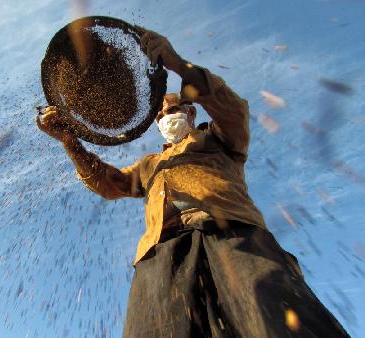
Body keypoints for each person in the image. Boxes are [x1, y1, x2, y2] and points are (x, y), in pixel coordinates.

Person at [36, 29, 350, 338]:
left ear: (190, 111)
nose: (166, 117)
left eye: (172, 109)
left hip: (234, 237)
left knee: (276, 321)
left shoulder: (220, 138)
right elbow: (108, 183)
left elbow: (233, 110)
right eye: (160, 116)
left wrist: (176, 63)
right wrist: (70, 143)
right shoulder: (150, 166)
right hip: (161, 254)